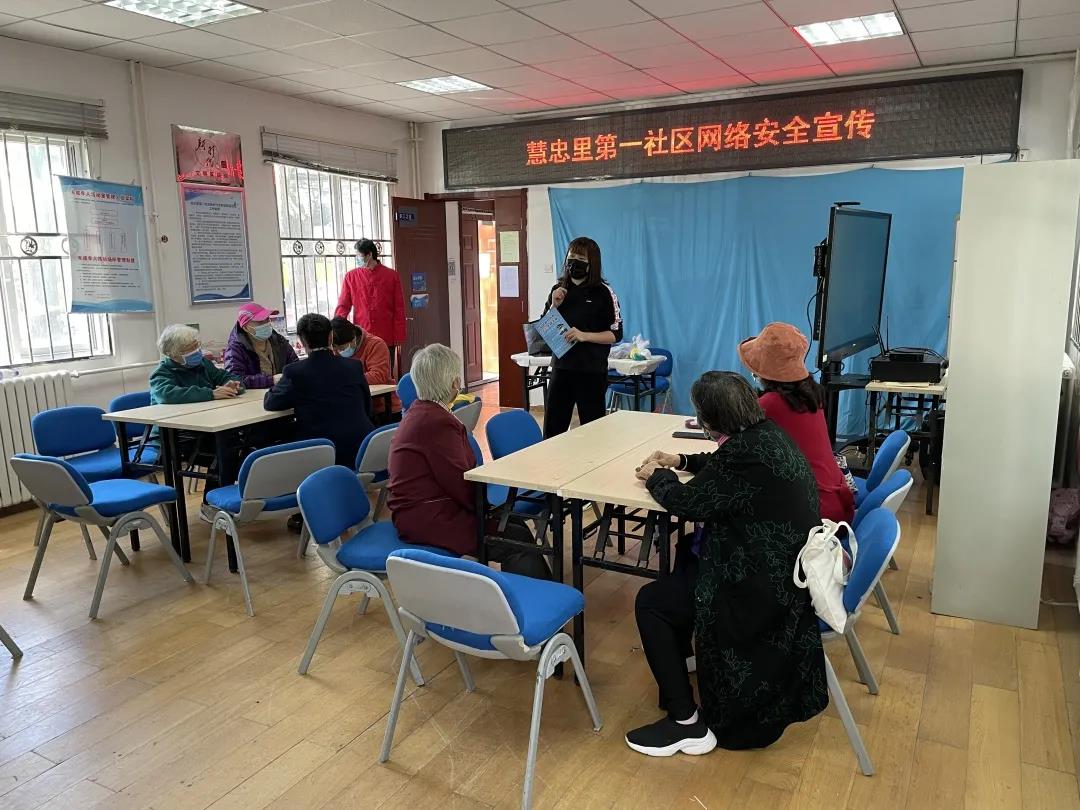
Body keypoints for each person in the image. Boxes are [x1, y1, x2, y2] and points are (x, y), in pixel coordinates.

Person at [626, 371, 827, 757]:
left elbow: (687, 503)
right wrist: (681, 459)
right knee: (685, 555)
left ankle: (685, 722)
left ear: (710, 420)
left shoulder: (743, 454)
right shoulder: (766, 436)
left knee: (651, 602)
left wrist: (659, 476)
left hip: (754, 587)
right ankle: (683, 660)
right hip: (780, 572)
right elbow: (724, 467)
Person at [387, 343, 551, 580]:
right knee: (515, 539)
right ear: (453, 382)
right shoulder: (437, 423)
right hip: (428, 517)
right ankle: (532, 599)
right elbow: (461, 483)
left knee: (512, 525)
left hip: (423, 509)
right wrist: (488, 510)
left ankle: (529, 593)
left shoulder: (420, 413)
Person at [739, 323, 855, 524]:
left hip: (815, 513)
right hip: (837, 500)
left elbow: (737, 446)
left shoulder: (769, 404)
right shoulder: (812, 395)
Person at [264, 313, 375, 469]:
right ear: (331, 337)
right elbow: (367, 406)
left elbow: (271, 402)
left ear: (301, 341)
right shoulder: (353, 366)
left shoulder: (295, 372)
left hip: (321, 453)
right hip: (363, 448)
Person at [541, 236, 623, 438]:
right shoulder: (558, 290)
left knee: (593, 431)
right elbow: (544, 328)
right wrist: (554, 306)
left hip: (591, 372)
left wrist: (584, 336)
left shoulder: (604, 293)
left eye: (581, 258)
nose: (574, 262)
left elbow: (615, 334)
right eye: (572, 257)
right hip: (561, 368)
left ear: (591, 263)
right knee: (553, 429)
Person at [334, 238, 406, 372]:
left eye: (359, 255)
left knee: (384, 373)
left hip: (386, 336)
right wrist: (336, 331)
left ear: (369, 255)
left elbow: (399, 308)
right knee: (360, 372)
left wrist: (399, 335)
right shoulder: (351, 277)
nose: (357, 259)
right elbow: (343, 306)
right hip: (361, 337)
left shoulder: (391, 276)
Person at [150, 324, 241, 405]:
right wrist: (211, 394)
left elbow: (227, 377)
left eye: (196, 346)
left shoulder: (203, 363)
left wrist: (231, 386)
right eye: (189, 349)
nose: (196, 351)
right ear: (172, 354)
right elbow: (165, 395)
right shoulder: (161, 372)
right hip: (172, 418)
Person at [330, 316, 400, 416]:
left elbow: (378, 376)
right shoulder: (335, 350)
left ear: (354, 337)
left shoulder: (376, 344)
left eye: (342, 348)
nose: (338, 352)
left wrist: (345, 378)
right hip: (354, 407)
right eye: (336, 349)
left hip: (382, 408)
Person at [223, 302, 298, 390]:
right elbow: (235, 380)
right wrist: (270, 380)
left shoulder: (279, 341)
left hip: (280, 392)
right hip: (252, 396)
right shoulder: (235, 349)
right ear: (246, 327)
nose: (267, 324)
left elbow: (295, 365)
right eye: (260, 321)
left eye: (267, 319)